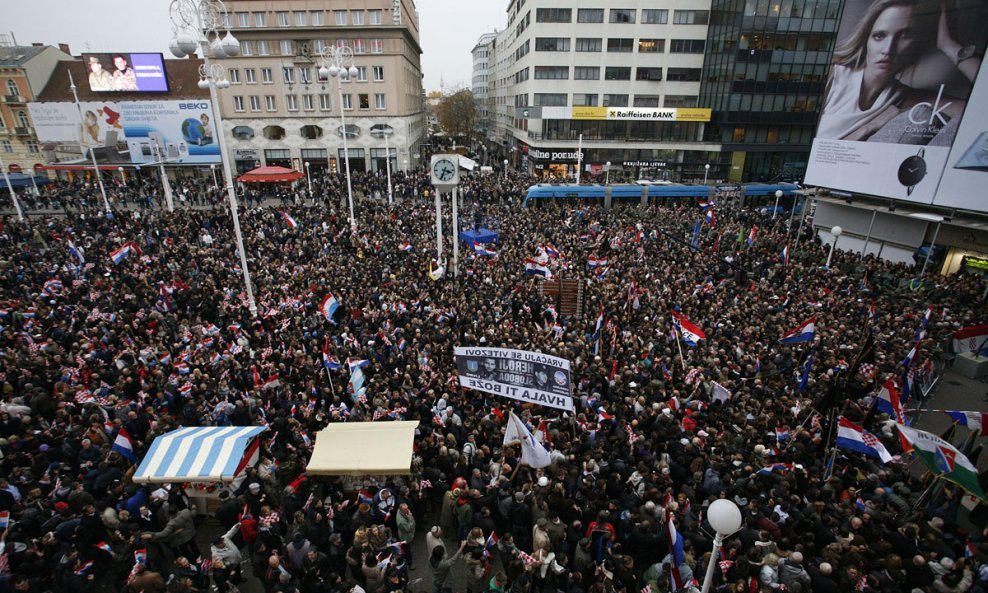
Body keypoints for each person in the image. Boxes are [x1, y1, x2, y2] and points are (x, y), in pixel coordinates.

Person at [817, 0, 981, 142]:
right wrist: (868, 128)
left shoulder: (906, 98)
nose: (888, 49)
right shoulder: (832, 76)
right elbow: (806, 150)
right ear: (866, 39)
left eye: (904, 35)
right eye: (880, 36)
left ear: (918, 43)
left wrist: (950, 45)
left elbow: (980, 113)